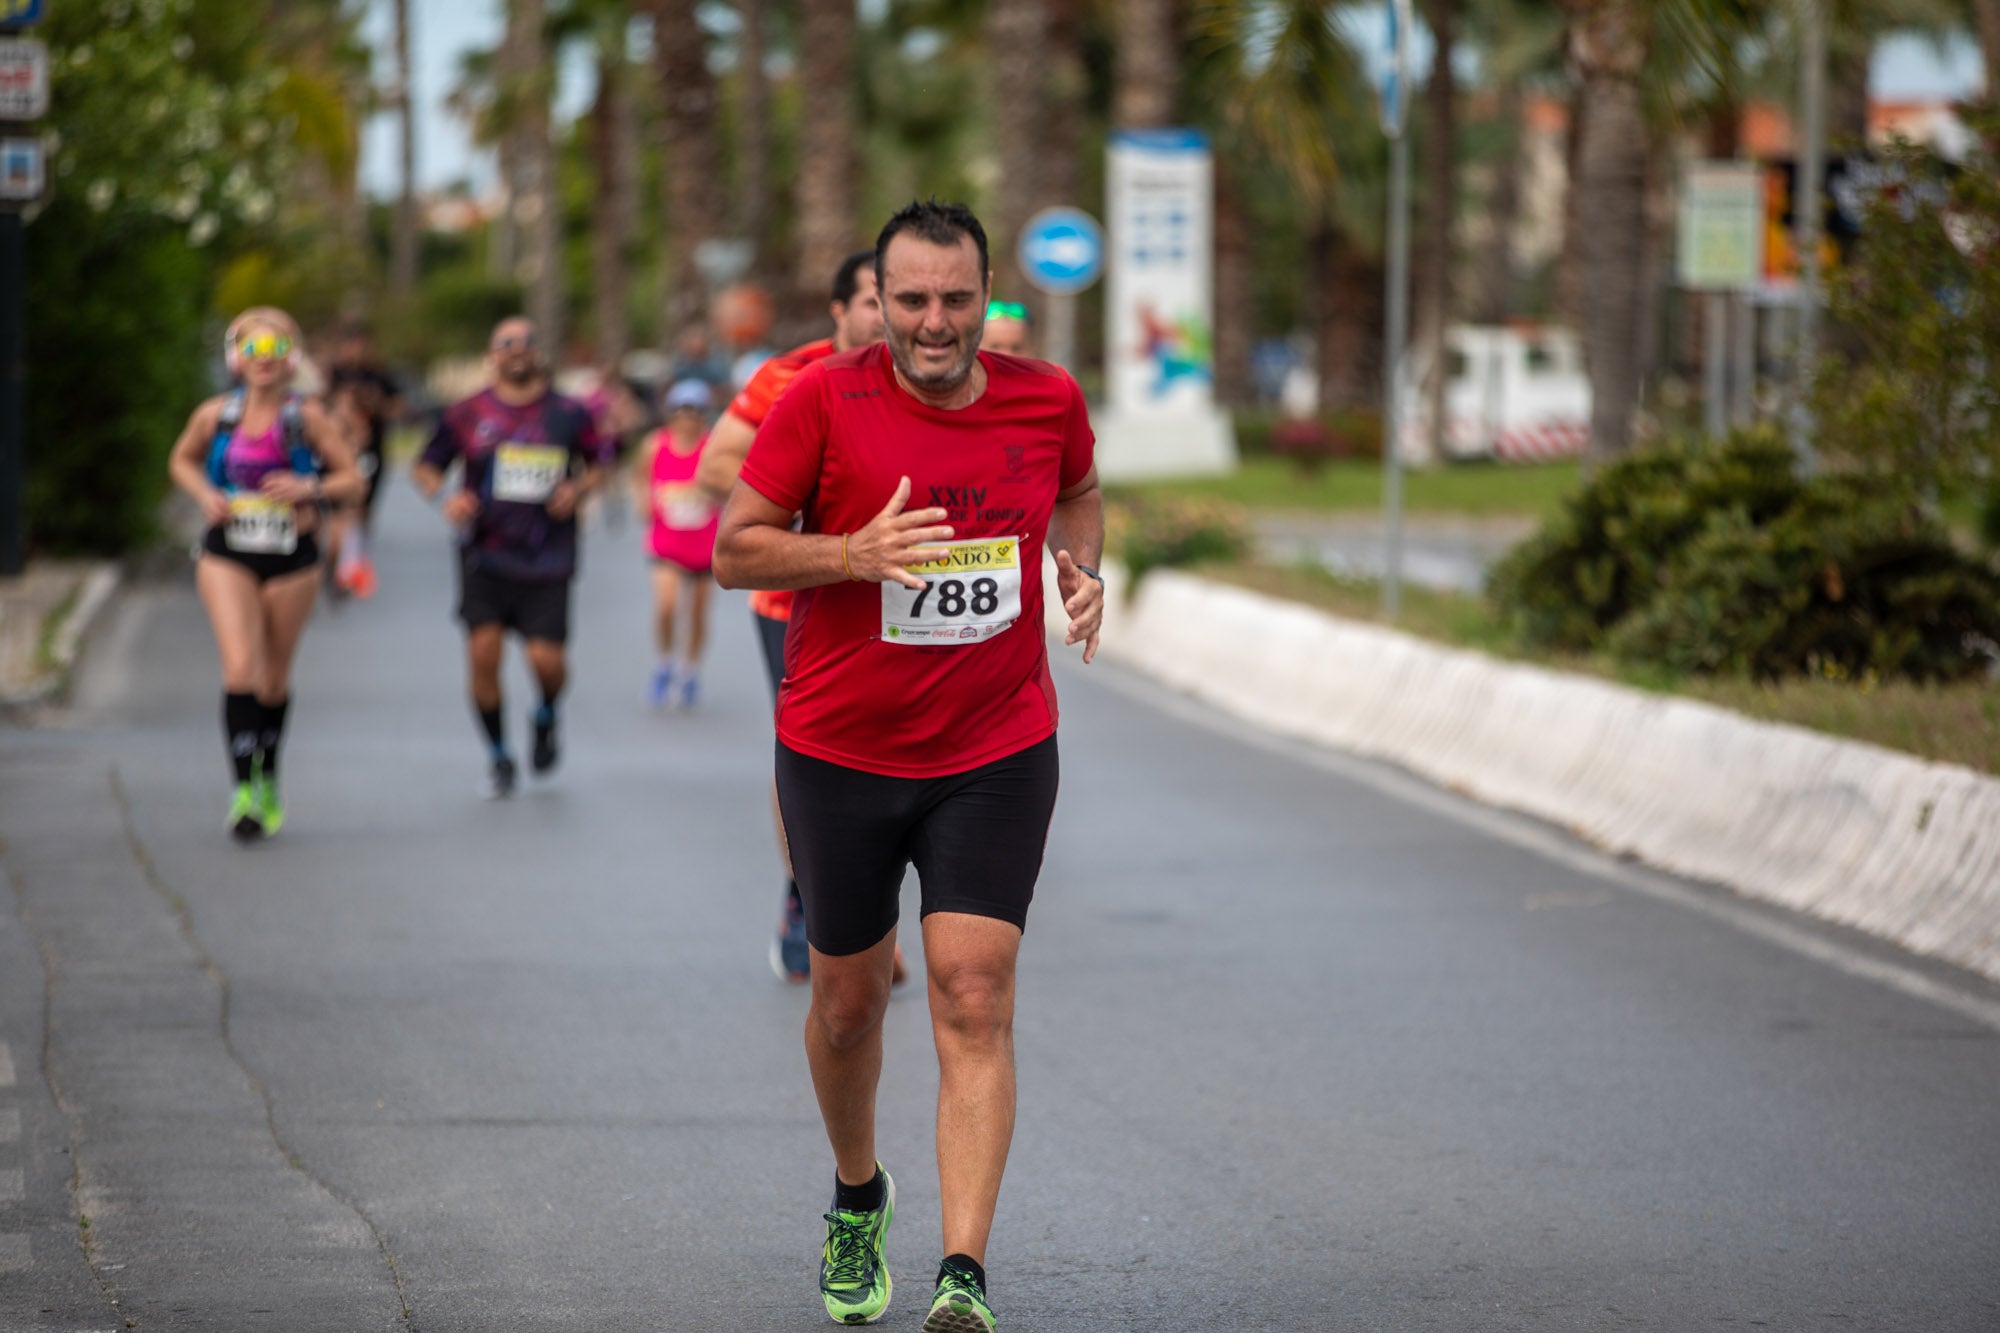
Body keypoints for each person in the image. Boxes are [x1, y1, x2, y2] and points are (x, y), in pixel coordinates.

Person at [712, 200, 1105, 1333]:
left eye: (958, 299)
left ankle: (963, 1274)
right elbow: (737, 547)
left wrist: (1076, 568)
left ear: (988, 298)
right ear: (876, 300)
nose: (936, 324)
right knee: (845, 1003)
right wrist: (848, 552)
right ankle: (855, 1193)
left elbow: (1076, 488)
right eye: (912, 300)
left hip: (996, 745)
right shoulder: (821, 403)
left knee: (973, 993)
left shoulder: (1046, 398)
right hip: (840, 751)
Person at [695, 248, 888, 985]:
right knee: (811, 747)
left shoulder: (927, 375)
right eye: (870, 301)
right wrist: (809, 502)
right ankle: (807, 894)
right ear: (838, 310)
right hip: (796, 596)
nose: (884, 316)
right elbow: (716, 467)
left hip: (901, 594)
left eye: (893, 299)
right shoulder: (787, 376)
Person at [166, 306, 364, 840]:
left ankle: (269, 776)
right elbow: (180, 460)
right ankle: (243, 793)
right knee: (240, 670)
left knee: (274, 678)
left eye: (275, 350)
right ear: (236, 357)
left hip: (292, 554)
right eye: (253, 350)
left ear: (291, 358)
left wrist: (311, 489)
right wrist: (205, 493)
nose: (264, 361)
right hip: (227, 550)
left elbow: (352, 480)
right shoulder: (216, 416)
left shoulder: (308, 418)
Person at [411, 317, 609, 798]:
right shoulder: (466, 413)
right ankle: (498, 755)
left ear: (540, 353)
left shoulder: (568, 412)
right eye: (507, 343)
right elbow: (426, 467)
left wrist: (578, 489)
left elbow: (602, 461)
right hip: (485, 554)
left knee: (546, 661)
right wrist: (447, 501)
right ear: (491, 354)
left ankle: (545, 712)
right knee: (483, 656)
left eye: (527, 342)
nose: (518, 349)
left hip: (549, 557)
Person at [635, 379, 720, 709]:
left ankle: (690, 671)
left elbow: (731, 482)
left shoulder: (713, 448)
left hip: (703, 543)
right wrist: (643, 499)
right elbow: (639, 478)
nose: (688, 417)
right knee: (667, 606)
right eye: (682, 410)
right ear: (671, 413)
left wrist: (707, 494)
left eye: (695, 410)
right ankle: (664, 665)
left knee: (697, 612)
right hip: (665, 541)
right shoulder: (654, 445)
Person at [325, 324, 402, 599]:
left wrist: (376, 404)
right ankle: (336, 563)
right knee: (337, 513)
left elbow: (398, 407)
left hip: (371, 451)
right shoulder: (333, 374)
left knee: (362, 508)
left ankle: (353, 559)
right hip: (336, 452)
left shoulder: (379, 375)